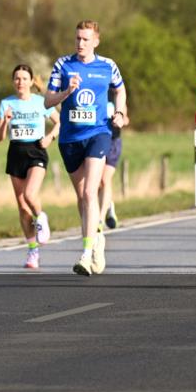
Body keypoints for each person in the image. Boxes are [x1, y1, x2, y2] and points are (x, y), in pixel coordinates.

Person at [45, 20, 127, 276]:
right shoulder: (63, 65)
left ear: (96, 41)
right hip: (70, 138)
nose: (81, 43)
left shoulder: (107, 66)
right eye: (78, 38)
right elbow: (48, 100)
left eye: (86, 39)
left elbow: (120, 91)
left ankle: (86, 252)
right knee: (82, 198)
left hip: (99, 133)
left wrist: (120, 112)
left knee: (92, 192)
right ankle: (97, 237)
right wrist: (67, 91)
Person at [0, 64, 60, 269]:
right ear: (13, 81)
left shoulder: (41, 102)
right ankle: (33, 251)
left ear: (32, 82)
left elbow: (60, 123)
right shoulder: (7, 103)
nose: (20, 82)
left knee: (30, 195)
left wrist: (50, 137)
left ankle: (41, 217)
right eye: (16, 78)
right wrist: (4, 122)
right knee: (23, 208)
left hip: (36, 151)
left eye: (24, 78)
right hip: (15, 153)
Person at [100, 95, 128, 229]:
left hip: (113, 142)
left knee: (105, 179)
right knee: (97, 181)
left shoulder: (116, 93)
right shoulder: (95, 87)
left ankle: (102, 217)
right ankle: (109, 204)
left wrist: (119, 119)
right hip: (97, 140)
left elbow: (125, 118)